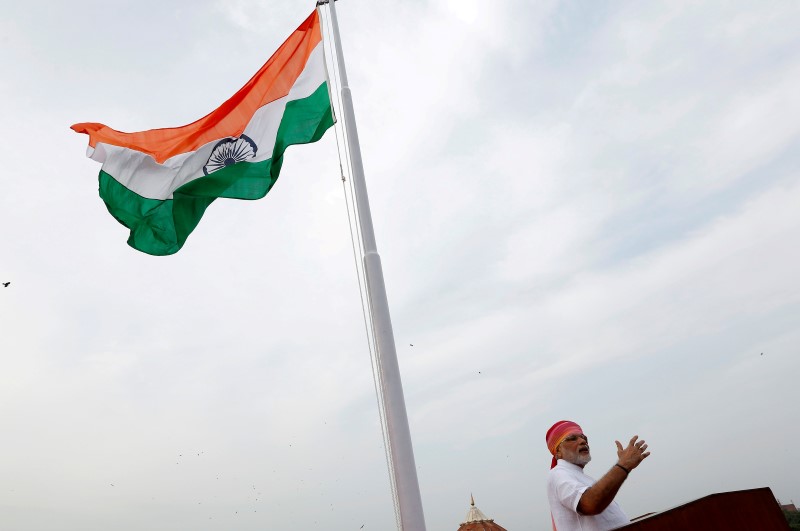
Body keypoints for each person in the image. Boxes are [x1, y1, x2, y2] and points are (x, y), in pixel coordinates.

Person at [546, 420, 650, 531]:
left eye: (584, 438)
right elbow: (590, 504)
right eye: (572, 438)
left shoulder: (581, 477)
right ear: (558, 452)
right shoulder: (558, 473)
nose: (582, 441)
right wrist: (624, 465)